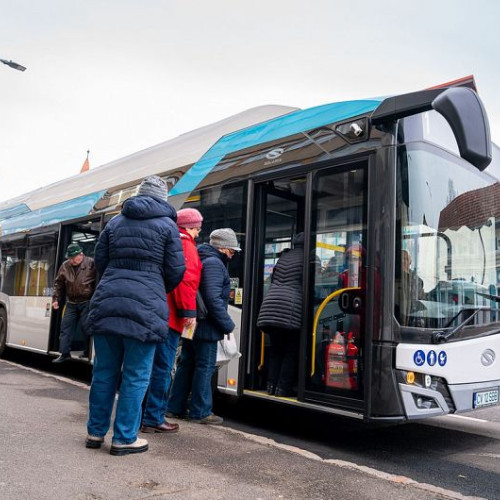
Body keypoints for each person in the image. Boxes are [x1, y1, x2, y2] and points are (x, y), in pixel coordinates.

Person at [85, 176, 185, 456]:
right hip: (146, 307)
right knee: (136, 375)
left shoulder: (115, 222)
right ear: (163, 198)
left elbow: (100, 261)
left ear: (139, 195)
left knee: (103, 373)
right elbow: (176, 270)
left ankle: (95, 433)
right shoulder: (168, 226)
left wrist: (115, 281)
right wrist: (153, 285)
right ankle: (124, 438)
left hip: (107, 302)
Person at [166, 228, 240, 425]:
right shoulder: (215, 264)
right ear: (222, 248)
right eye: (232, 250)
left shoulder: (202, 258)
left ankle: (174, 407)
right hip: (206, 325)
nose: (233, 254)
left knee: (186, 363)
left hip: (193, 323)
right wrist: (227, 324)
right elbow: (213, 299)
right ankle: (200, 411)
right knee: (204, 367)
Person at [141, 208, 203, 434]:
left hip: (157, 312)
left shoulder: (166, 241)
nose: (198, 232)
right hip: (172, 316)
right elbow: (186, 281)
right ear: (188, 227)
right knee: (163, 367)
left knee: (147, 366)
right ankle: (154, 417)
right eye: (197, 228)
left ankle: (143, 415)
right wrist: (189, 311)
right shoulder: (185, 245)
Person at [257, 232, 304, 397]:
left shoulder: (284, 257)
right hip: (289, 309)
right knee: (291, 350)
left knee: (277, 349)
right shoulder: (309, 258)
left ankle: (271, 386)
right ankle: (283, 388)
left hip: (270, 306)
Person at [52, 243, 96, 363]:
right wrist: (56, 299)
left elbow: (98, 281)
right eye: (69, 258)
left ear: (80, 254)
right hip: (71, 302)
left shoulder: (91, 263)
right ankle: (64, 353)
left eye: (73, 258)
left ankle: (87, 351)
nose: (71, 261)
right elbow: (58, 284)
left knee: (86, 327)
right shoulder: (65, 266)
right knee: (66, 327)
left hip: (87, 301)